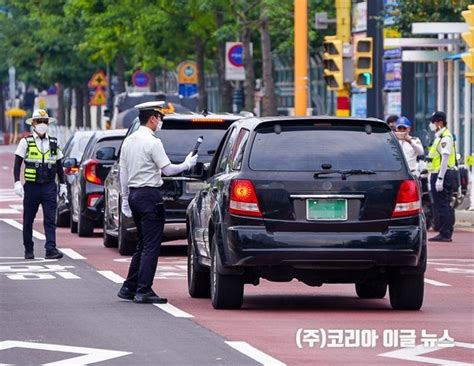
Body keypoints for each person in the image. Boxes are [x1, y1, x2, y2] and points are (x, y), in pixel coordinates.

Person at [117, 101, 198, 304]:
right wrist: (187, 164)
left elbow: (123, 172)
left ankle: (129, 287)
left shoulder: (129, 141)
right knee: (151, 246)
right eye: (160, 118)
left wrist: (125, 197)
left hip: (135, 194)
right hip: (149, 195)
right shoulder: (153, 142)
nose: (160, 123)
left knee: (142, 243)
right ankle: (144, 289)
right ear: (152, 119)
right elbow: (167, 169)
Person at [13, 109, 67, 259]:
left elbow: (59, 166)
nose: (42, 124)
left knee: (50, 219)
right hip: (32, 187)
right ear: (33, 124)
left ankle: (51, 249)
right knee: (28, 219)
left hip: (49, 186)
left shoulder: (54, 143)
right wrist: (17, 182)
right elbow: (17, 163)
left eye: (45, 122)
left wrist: (63, 185)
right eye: (39, 122)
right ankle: (28, 249)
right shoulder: (26, 142)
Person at [427, 111, 456, 242]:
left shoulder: (445, 137)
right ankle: (446, 231)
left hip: (442, 174)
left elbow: (445, 158)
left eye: (433, 122)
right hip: (440, 173)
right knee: (444, 204)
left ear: (439, 122)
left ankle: (445, 233)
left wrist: (440, 178)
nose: (431, 125)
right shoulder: (439, 137)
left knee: (443, 204)